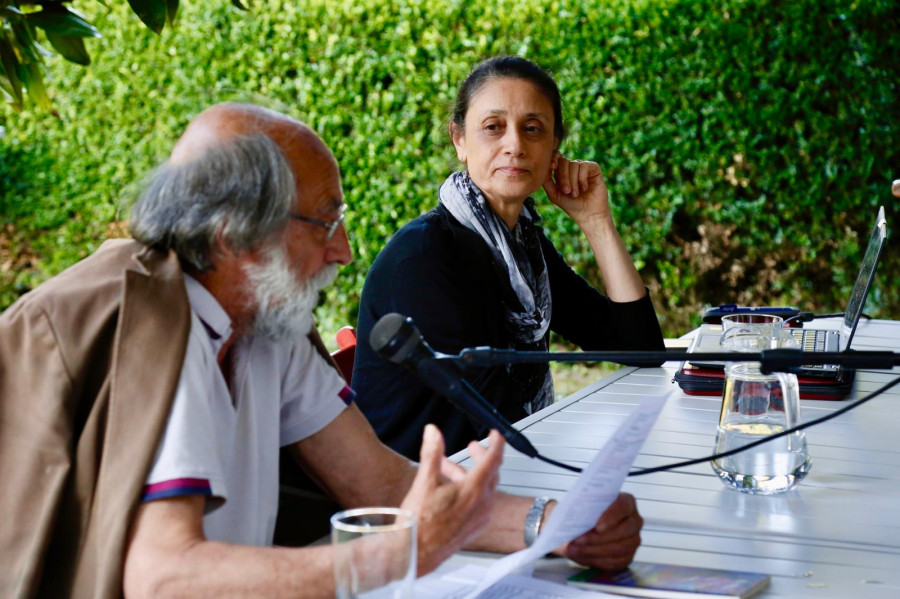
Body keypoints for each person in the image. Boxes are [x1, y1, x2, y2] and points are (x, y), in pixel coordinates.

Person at [0, 102, 643, 599]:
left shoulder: (260, 323)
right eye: (325, 221)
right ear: (235, 231)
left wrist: (559, 525)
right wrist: (394, 555)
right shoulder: (157, 332)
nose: (343, 252)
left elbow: (381, 482)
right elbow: (163, 579)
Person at [353, 56, 666, 460]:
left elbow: (641, 348)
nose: (515, 145)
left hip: (494, 469)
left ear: (554, 148)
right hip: (420, 493)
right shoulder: (425, 257)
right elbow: (504, 422)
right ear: (459, 140)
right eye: (492, 127)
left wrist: (597, 222)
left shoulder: (522, 245)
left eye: (532, 129)